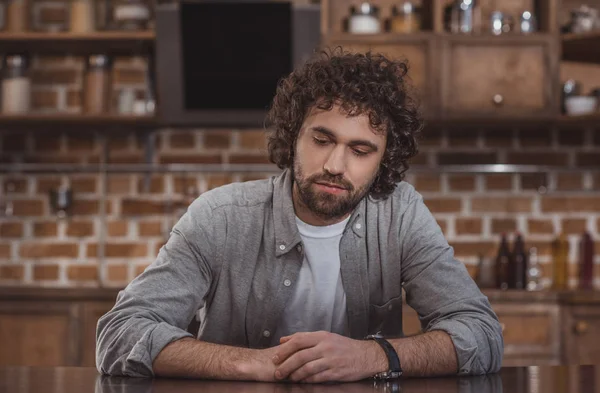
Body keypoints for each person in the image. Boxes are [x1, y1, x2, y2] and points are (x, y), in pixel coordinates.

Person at [96, 49, 503, 382]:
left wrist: (372, 356)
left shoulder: (401, 214)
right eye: (322, 140)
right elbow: (120, 333)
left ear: (384, 160)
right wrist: (254, 363)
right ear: (293, 136)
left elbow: (481, 333)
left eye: (360, 151)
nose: (335, 165)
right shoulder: (219, 216)